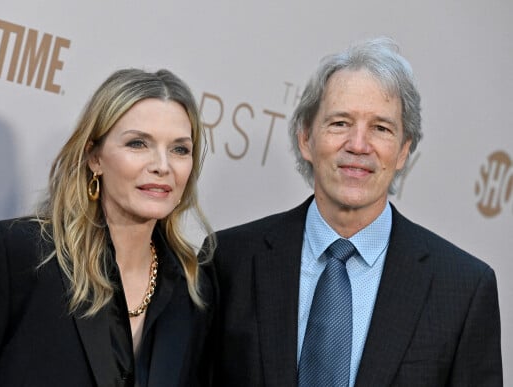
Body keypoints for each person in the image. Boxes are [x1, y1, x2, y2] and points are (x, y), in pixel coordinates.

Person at [208, 37, 502, 386]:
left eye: (380, 128)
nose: (359, 145)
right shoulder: (228, 261)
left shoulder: (463, 287)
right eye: (340, 123)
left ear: (404, 150)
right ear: (306, 139)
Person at [0, 68, 216, 387]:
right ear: (94, 157)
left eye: (180, 149)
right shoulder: (21, 254)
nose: (162, 166)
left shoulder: (193, 287)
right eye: (138, 144)